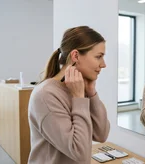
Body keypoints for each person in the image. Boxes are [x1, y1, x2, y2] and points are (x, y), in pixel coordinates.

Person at [27, 26, 110, 164]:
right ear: (75, 56)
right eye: (98, 56)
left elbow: (101, 135)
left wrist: (91, 93)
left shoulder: (79, 89)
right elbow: (80, 154)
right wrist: (79, 99)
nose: (103, 64)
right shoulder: (45, 95)